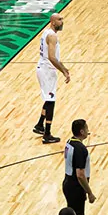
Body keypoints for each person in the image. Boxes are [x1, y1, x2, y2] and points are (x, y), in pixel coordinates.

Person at [32, 14, 68, 143]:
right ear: (52, 22)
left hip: (44, 68)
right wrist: (63, 70)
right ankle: (47, 134)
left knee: (48, 99)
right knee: (51, 101)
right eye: (59, 20)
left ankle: (39, 125)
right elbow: (52, 57)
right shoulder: (52, 36)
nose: (62, 22)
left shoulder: (46, 32)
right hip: (47, 70)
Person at [63, 118, 93, 215]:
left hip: (68, 182)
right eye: (86, 128)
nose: (88, 130)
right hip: (75, 188)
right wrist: (89, 192)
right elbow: (80, 175)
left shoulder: (70, 142)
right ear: (82, 131)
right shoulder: (80, 149)